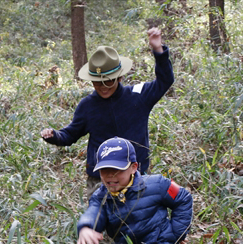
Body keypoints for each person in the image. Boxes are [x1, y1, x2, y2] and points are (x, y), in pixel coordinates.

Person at [40, 28, 174, 197]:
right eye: (97, 82)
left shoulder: (138, 97)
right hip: (100, 182)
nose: (102, 87)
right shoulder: (87, 106)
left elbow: (165, 81)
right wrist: (54, 135)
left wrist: (158, 51)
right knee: (99, 222)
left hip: (135, 178)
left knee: (137, 221)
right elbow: (70, 135)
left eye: (108, 82)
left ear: (120, 77)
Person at [76, 137, 192, 244]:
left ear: (134, 167)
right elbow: (94, 212)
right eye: (104, 170)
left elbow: (183, 197)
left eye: (117, 170)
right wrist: (86, 227)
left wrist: (177, 234)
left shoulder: (157, 184)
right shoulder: (101, 197)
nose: (110, 176)